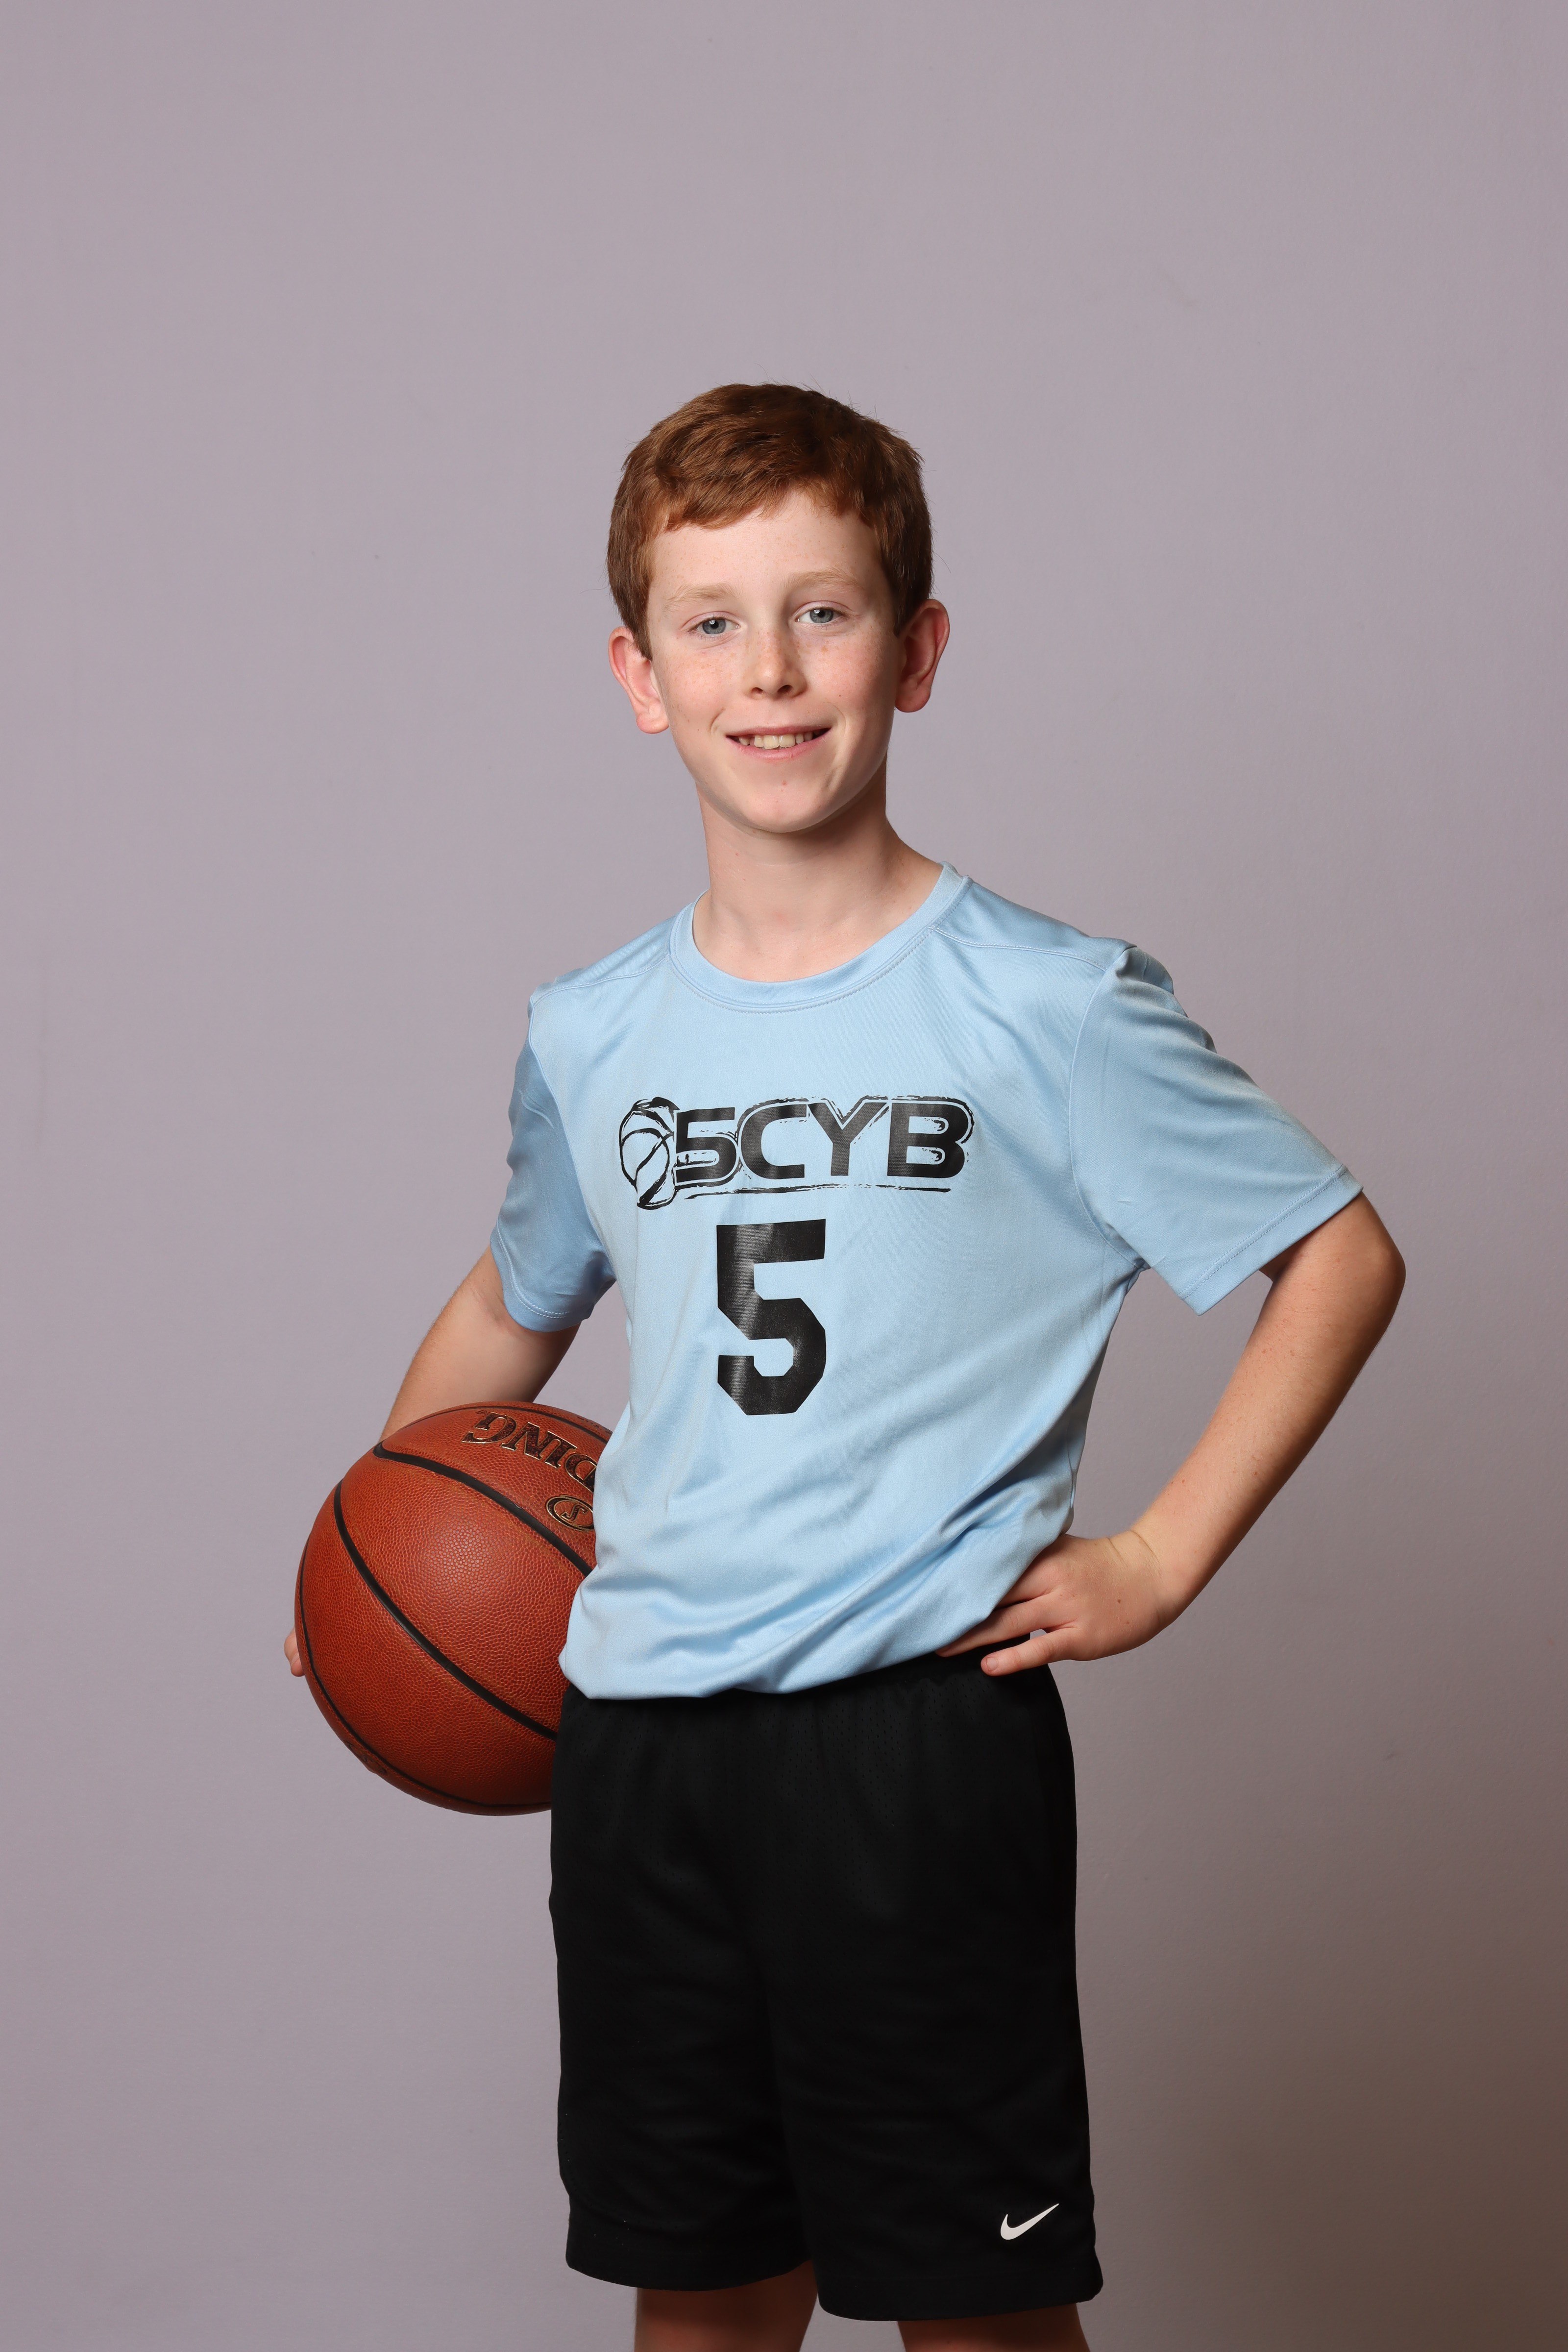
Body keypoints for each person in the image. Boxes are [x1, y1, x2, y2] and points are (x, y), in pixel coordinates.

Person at [286, 383, 1404, 2351]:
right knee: (706, 2299)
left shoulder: (1045, 1002)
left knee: (971, 2306)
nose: (772, 671)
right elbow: (512, 1306)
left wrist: (1158, 1558)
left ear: (916, 649)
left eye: (824, 612)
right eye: (712, 622)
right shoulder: (592, 1031)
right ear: (639, 678)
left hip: (913, 1743)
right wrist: (367, 1545)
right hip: (641, 1744)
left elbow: (1337, 1255)